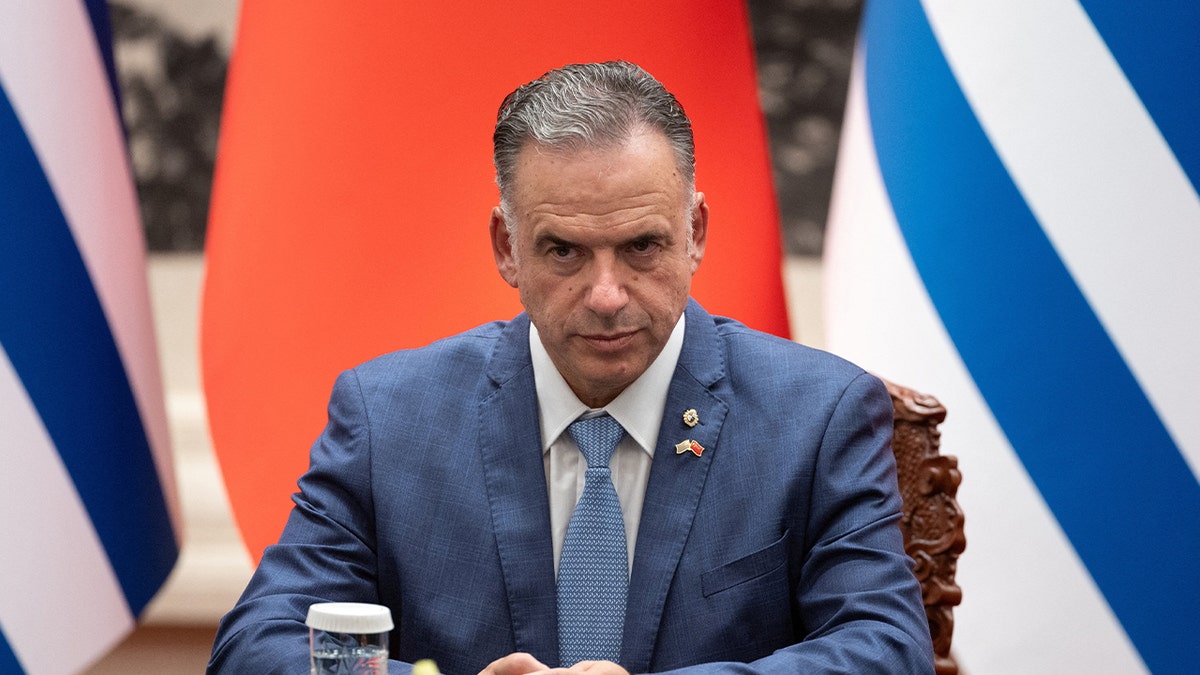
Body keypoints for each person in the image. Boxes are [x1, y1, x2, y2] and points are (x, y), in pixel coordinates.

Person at [208, 61, 934, 674]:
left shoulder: (818, 413)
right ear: (506, 246)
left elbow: (886, 649)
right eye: (564, 251)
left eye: (643, 246)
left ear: (695, 233)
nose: (607, 294)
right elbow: (258, 643)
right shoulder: (389, 417)